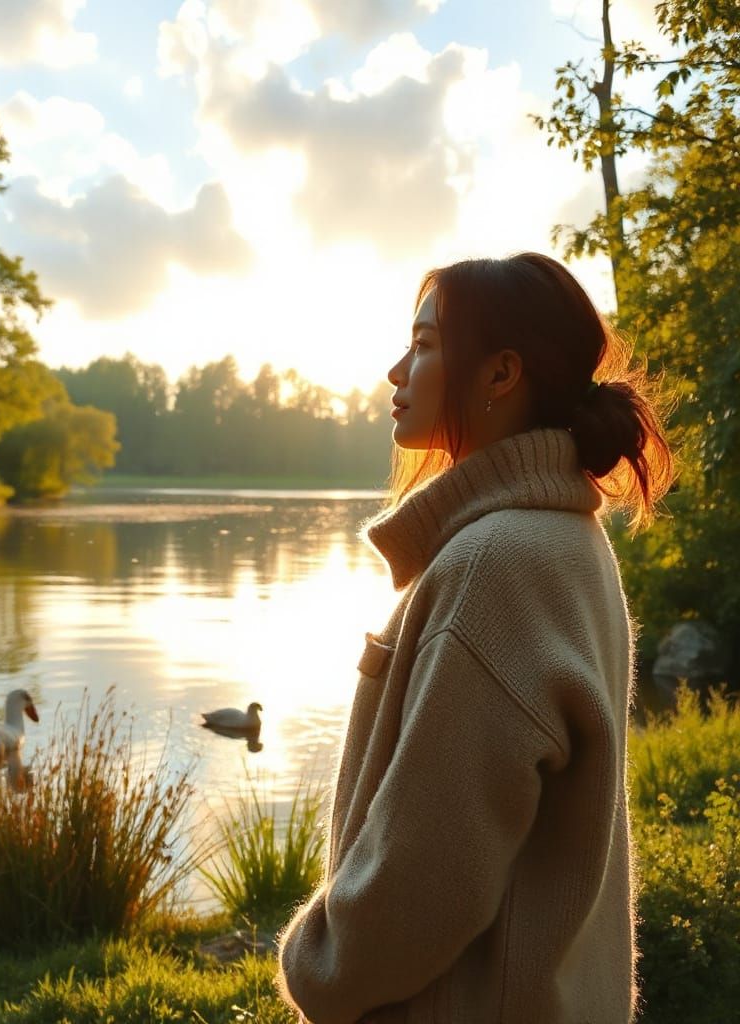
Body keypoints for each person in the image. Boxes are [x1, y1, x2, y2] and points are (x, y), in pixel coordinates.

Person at [275, 252, 675, 1024]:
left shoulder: (496, 564)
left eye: (424, 346)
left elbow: (424, 876)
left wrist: (319, 965)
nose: (397, 370)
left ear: (499, 376)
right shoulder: (562, 539)